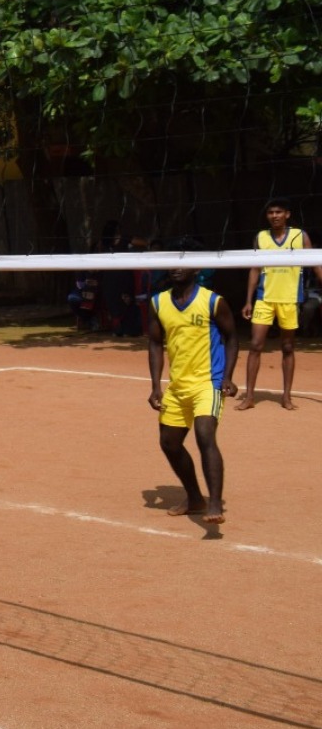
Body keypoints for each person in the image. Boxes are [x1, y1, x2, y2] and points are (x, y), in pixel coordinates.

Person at [146, 258, 238, 523]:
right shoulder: (158, 303)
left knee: (204, 435)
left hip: (208, 382)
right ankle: (195, 498)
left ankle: (214, 505)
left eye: (183, 264)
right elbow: (154, 344)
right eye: (172, 264)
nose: (176, 268)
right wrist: (155, 386)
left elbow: (231, 337)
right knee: (169, 443)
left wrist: (228, 377)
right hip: (177, 386)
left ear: (197, 269)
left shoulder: (213, 301)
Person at [239, 198, 321, 411]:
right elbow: (254, 269)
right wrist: (248, 300)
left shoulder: (299, 236)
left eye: (278, 212)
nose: (274, 216)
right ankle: (249, 397)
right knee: (255, 345)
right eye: (270, 212)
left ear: (287, 214)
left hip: (289, 299)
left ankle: (286, 397)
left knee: (287, 347)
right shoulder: (261, 237)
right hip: (264, 298)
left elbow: (315, 263)